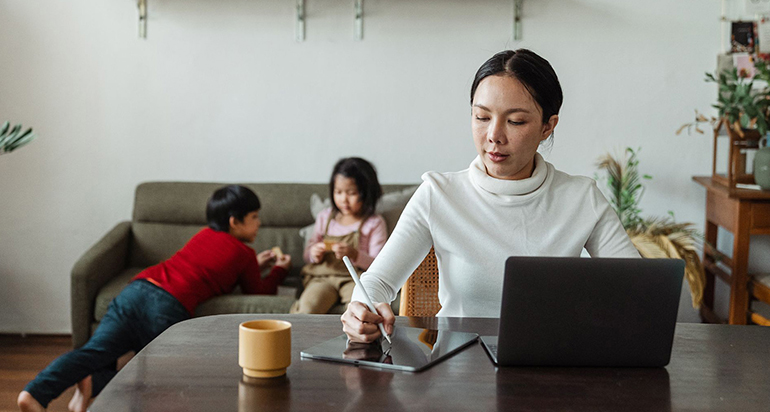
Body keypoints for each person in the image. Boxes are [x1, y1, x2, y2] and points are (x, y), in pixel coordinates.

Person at [340, 49, 641, 343]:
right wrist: (361, 309)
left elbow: (638, 287)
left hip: (550, 369)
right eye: (482, 117)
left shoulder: (580, 197)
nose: (494, 135)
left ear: (548, 126)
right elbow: (377, 282)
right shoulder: (438, 194)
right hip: (458, 374)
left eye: (516, 121)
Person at [18, 185, 291, 412]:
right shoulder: (243, 253)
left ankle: (36, 393)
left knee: (94, 351)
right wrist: (279, 269)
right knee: (160, 378)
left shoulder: (203, 235)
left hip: (137, 290)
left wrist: (256, 262)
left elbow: (210, 265)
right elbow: (260, 291)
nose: (259, 223)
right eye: (254, 217)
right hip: (167, 306)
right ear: (235, 221)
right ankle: (99, 383)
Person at [290, 157, 388, 314]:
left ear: (366, 193)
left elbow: (379, 265)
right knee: (307, 309)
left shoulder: (374, 223)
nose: (344, 199)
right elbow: (307, 255)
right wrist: (314, 253)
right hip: (323, 277)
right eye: (338, 192)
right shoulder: (325, 217)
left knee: (360, 312)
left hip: (354, 279)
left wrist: (354, 254)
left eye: (352, 193)